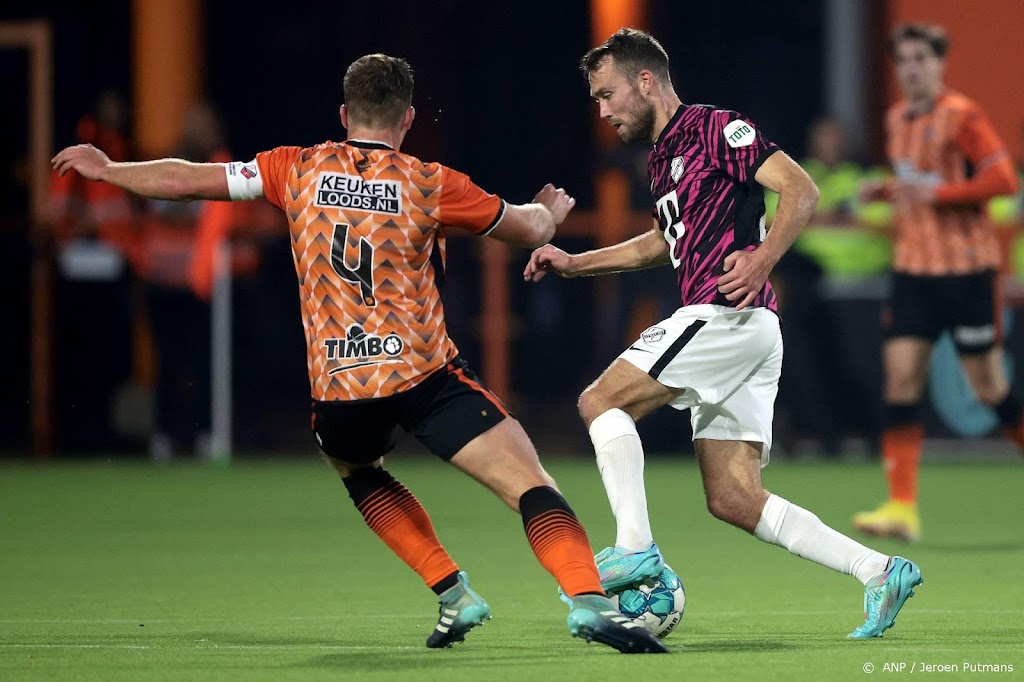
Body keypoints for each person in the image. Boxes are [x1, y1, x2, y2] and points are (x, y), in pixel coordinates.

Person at [52, 53, 666, 654]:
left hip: (340, 389)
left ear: (345, 113)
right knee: (530, 484)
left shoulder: (296, 168)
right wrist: (549, 212)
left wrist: (110, 168)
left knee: (359, 470)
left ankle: (453, 593)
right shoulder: (429, 182)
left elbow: (192, 180)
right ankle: (588, 600)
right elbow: (528, 229)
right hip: (424, 374)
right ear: (407, 119)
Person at [524, 28, 921, 639]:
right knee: (734, 498)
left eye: (607, 95)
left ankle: (635, 548)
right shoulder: (661, 157)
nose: (602, 111)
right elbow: (664, 241)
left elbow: (801, 188)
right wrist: (577, 262)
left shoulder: (714, 127)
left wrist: (762, 257)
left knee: (600, 400)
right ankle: (879, 570)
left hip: (725, 314)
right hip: (744, 329)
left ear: (646, 82)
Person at [853, 24, 1022, 543]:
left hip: (967, 270)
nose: (911, 69)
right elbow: (914, 184)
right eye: (903, 60)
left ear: (939, 64)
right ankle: (902, 507)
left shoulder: (963, 116)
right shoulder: (895, 118)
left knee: (988, 387)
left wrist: (938, 195)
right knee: (900, 380)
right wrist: (884, 189)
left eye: (921, 59)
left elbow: (1002, 182)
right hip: (913, 271)